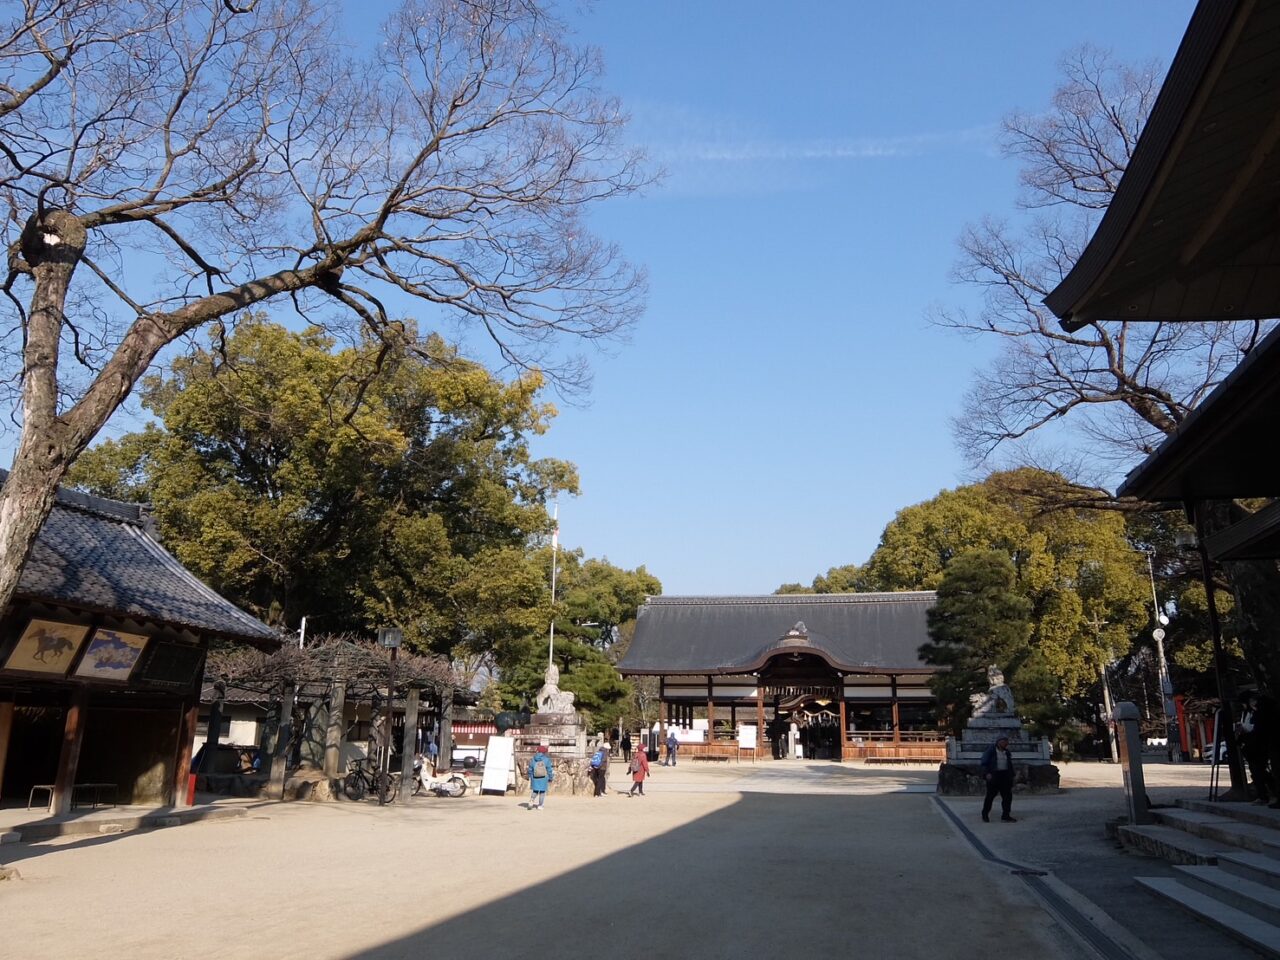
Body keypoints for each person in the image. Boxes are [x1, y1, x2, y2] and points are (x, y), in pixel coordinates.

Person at [1237, 693, 1271, 804]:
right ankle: (1263, 794)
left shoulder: (1256, 712)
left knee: (1259, 770)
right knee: (1256, 771)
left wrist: (1244, 728)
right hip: (1249, 745)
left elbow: (1254, 727)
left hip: (1257, 745)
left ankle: (1266, 794)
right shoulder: (1245, 713)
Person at [980, 734, 1017, 823]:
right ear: (998, 742)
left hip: (1005, 775)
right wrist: (987, 773)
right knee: (990, 796)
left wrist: (1012, 775)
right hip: (994, 775)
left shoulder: (1007, 752)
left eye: (1006, 742)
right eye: (1003, 741)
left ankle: (1006, 815)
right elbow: (984, 762)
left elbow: (1009, 764)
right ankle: (985, 814)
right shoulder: (991, 751)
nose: (1005, 743)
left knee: (1007, 797)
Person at [527, 744, 554, 811]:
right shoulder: (547, 760)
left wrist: (530, 776)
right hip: (543, 778)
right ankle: (540, 805)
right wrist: (551, 778)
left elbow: (530, 769)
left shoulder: (533, 759)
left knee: (535, 791)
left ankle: (531, 800)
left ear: (537, 751)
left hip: (535, 777)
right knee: (542, 792)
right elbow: (549, 770)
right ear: (544, 752)